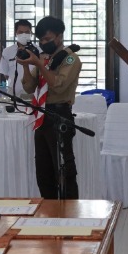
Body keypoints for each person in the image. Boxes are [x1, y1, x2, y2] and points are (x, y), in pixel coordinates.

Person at [20, 15, 82, 199]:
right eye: (41, 40)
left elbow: (58, 85)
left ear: (59, 36)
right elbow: (29, 87)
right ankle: (49, 209)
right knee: (43, 171)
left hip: (59, 115)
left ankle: (70, 210)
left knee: (63, 170)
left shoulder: (70, 59)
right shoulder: (44, 59)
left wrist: (39, 64)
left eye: (47, 39)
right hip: (41, 115)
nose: (43, 43)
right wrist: (26, 65)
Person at [0, 19, 34, 96]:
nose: (24, 35)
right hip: (14, 95)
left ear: (31, 33)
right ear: (15, 33)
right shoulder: (7, 51)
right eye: (21, 32)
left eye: (27, 32)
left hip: (34, 94)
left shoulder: (39, 51)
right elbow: (5, 74)